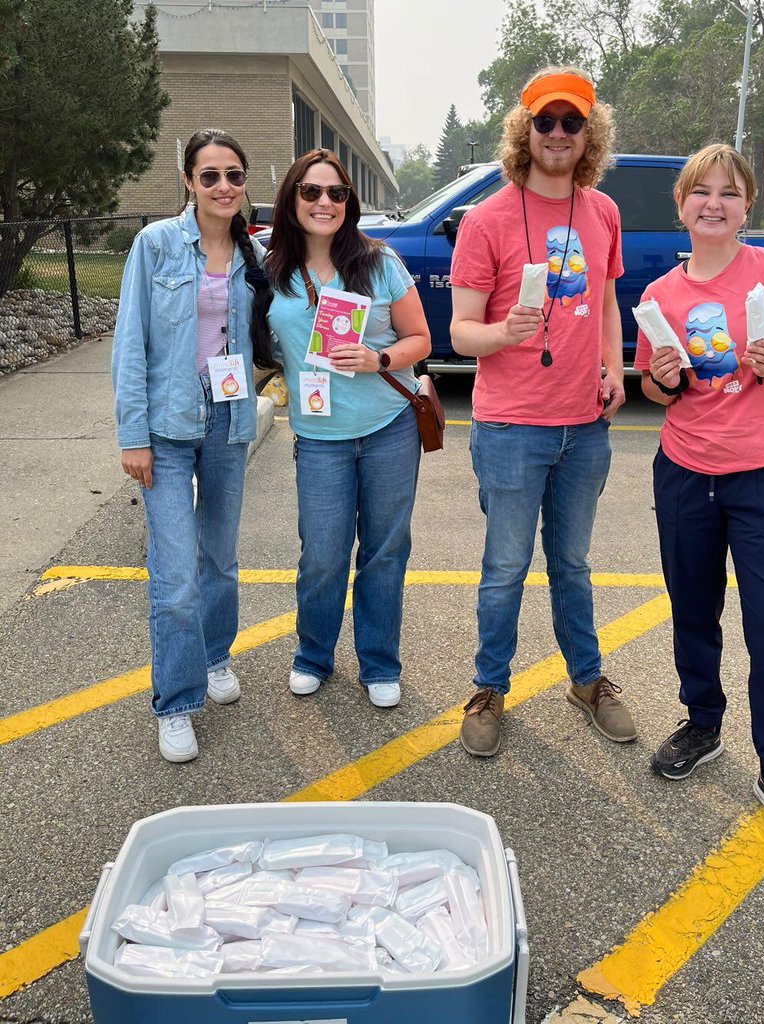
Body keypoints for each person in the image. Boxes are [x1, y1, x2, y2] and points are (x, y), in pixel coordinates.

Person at [636, 142, 764, 848]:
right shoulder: (661, 295)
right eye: (701, 191)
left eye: (729, 192)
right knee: (693, 610)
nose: (714, 203)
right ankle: (703, 722)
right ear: (682, 206)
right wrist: (663, 377)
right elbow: (654, 386)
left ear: (747, 204)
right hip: (685, 471)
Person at [449, 67, 636, 758]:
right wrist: (504, 333)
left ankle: (586, 682)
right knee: (504, 568)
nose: (558, 133)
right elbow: (461, 332)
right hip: (510, 426)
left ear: (590, 133)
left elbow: (608, 300)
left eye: (572, 122)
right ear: (524, 131)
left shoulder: (602, 211)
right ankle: (488, 688)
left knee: (573, 564)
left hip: (584, 426)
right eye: (545, 121)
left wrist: (614, 367)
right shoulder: (487, 219)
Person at [112, 128, 271, 763]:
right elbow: (131, 342)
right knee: (176, 572)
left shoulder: (253, 254)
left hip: (228, 418)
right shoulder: (155, 245)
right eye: (210, 176)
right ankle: (176, 701)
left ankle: (214, 655)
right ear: (188, 181)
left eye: (234, 175)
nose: (223, 187)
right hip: (167, 423)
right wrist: (133, 436)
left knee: (221, 559)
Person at [266, 148, 430, 709]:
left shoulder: (379, 263)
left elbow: (421, 340)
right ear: (292, 198)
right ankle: (313, 655)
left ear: (349, 203)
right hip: (319, 438)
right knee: (322, 554)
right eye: (311, 191)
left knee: (384, 552)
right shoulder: (272, 270)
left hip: (387, 429)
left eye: (336, 193)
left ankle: (379, 663)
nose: (324, 202)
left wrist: (377, 359)